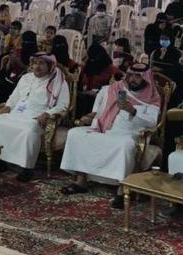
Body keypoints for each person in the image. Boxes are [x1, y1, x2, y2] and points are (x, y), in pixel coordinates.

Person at [60, 63, 163, 207]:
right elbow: (98, 110)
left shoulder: (152, 96)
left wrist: (133, 111)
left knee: (124, 145)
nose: (132, 79)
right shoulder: (114, 88)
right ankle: (81, 181)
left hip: (130, 133)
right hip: (105, 128)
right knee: (75, 134)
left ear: (146, 78)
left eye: (138, 76)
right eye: (131, 75)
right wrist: (91, 116)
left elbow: (152, 122)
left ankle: (123, 189)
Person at [0, 52, 69, 182]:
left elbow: (63, 105)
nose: (37, 66)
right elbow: (14, 96)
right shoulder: (25, 78)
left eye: (41, 63)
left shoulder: (58, 81)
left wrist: (48, 114)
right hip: (17, 113)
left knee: (29, 130)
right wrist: (8, 106)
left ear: (50, 65)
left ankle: (27, 168)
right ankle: (1, 161)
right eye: (35, 63)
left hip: (37, 117)